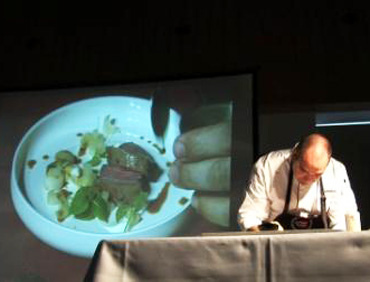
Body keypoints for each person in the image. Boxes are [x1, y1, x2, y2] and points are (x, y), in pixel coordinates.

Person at [238, 133, 361, 232]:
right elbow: (250, 217)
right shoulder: (267, 166)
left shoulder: (336, 171)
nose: (309, 178)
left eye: (317, 174)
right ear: (295, 154)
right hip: (277, 246)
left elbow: (348, 219)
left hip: (323, 248)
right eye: (303, 170)